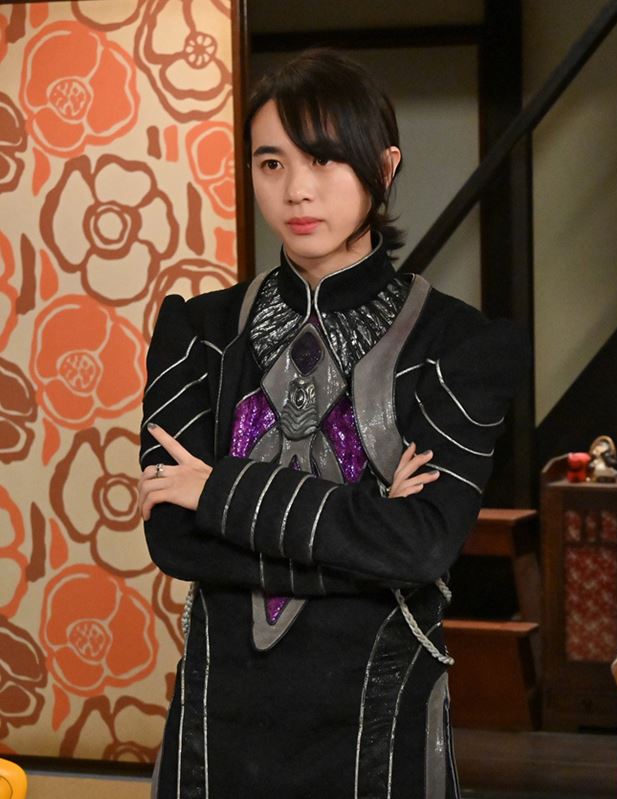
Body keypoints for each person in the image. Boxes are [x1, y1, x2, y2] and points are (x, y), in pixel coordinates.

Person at [136, 49, 526, 798]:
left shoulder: (459, 346)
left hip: (376, 720)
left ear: (384, 165)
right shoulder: (199, 332)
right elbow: (174, 539)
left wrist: (217, 490)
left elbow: (424, 544)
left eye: (324, 159)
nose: (297, 189)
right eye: (271, 163)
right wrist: (369, 528)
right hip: (222, 717)